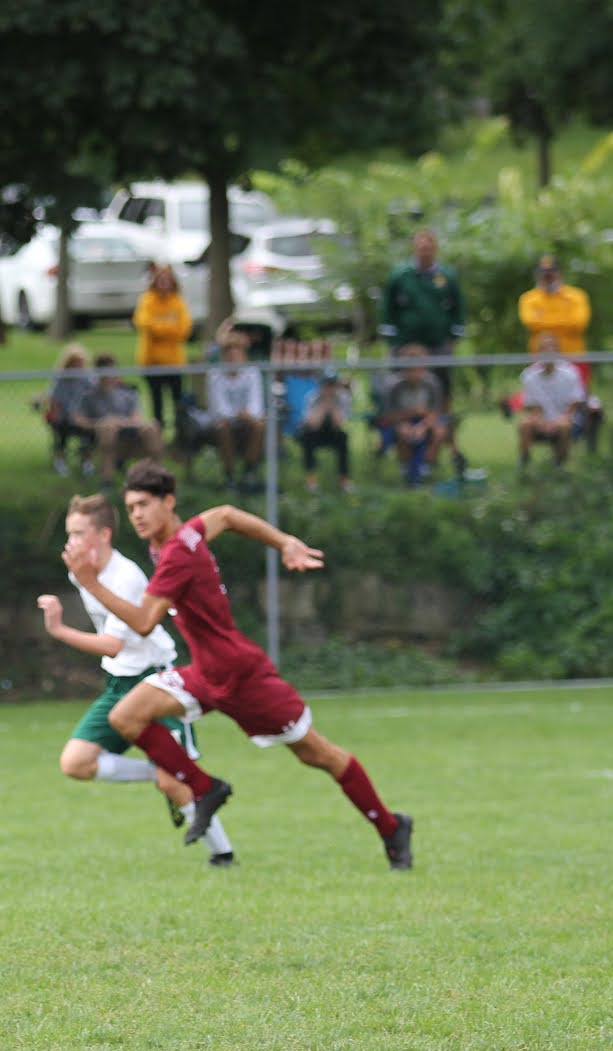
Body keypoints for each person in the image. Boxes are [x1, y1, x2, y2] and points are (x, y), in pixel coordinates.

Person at [71, 459, 413, 871]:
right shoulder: (187, 534)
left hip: (243, 676)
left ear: (169, 501)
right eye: (130, 508)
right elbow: (228, 516)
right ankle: (205, 788)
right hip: (206, 673)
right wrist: (283, 541)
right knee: (126, 715)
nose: (138, 515)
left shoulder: (177, 552)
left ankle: (392, 827)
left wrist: (90, 583)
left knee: (318, 754)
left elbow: (144, 622)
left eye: (145, 504)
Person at [36, 494, 235, 866]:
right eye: (69, 533)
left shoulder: (126, 577)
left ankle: (222, 855)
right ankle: (163, 769)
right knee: (76, 763)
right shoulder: (82, 571)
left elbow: (113, 644)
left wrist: (59, 629)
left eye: (79, 533)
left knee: (174, 782)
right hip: (120, 683)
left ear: (104, 535)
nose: (71, 543)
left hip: (156, 680)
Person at [378, 229, 466, 373]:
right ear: (414, 249)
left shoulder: (447, 276)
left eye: (428, 248)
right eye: (421, 248)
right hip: (405, 342)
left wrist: (453, 337)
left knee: (440, 383)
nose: (425, 252)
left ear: (435, 249)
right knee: (400, 382)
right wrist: (392, 340)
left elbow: (458, 307)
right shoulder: (400, 275)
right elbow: (387, 308)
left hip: (438, 341)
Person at [79, 354, 163, 481]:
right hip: (103, 435)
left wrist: (117, 421)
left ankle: (158, 478)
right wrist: (100, 423)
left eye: (111, 372)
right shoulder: (89, 395)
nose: (108, 377)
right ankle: (107, 480)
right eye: (104, 373)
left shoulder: (128, 392)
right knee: (108, 428)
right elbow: (79, 420)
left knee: (152, 426)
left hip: (131, 432)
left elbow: (137, 418)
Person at [132, 264, 192, 438]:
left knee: (178, 404)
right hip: (152, 362)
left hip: (175, 363)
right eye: (161, 279)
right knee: (156, 404)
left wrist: (160, 327)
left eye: (167, 279)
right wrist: (169, 326)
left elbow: (184, 330)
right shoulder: (147, 300)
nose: (164, 282)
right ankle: (157, 442)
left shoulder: (178, 301)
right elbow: (144, 324)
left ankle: (180, 441)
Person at [377, 344, 449, 487]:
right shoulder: (394, 385)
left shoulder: (432, 383)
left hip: (426, 421)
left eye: (418, 368)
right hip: (401, 421)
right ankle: (407, 470)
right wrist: (411, 416)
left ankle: (425, 467)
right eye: (409, 369)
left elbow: (435, 412)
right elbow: (389, 416)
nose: (414, 373)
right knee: (402, 433)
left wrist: (422, 426)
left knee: (439, 431)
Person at [516, 332, 587, 469]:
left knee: (563, 426)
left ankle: (560, 465)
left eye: (552, 347)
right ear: (539, 352)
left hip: (565, 419)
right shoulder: (529, 375)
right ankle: (524, 462)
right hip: (540, 420)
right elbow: (533, 407)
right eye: (544, 348)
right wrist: (541, 422)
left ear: (558, 350)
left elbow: (573, 405)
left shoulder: (571, 373)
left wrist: (559, 421)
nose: (548, 351)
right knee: (525, 423)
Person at [517, 255, 591, 384]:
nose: (548, 278)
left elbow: (579, 323)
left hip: (573, 357)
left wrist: (543, 323)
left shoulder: (577, 296)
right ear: (537, 275)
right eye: (544, 274)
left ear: (560, 274)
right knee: (539, 400)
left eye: (551, 273)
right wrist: (565, 322)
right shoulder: (528, 299)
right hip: (540, 360)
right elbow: (530, 323)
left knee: (576, 401)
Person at [205, 334, 265, 491]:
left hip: (248, 419)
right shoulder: (215, 375)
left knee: (259, 426)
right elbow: (219, 408)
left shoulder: (252, 373)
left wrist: (248, 415)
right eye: (229, 352)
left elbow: (256, 404)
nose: (233, 356)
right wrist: (237, 414)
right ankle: (229, 475)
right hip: (225, 422)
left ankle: (249, 472)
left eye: (237, 352)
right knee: (222, 427)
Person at [32, 342, 97, 476]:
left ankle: (86, 462)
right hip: (64, 416)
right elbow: (54, 401)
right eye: (75, 363)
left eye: (80, 363)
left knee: (90, 432)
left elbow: (95, 397)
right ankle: (60, 461)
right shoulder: (61, 379)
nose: (78, 366)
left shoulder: (88, 378)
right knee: (61, 429)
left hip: (83, 417)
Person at [296, 366, 354, 493]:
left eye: (332, 384)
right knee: (307, 438)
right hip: (315, 433)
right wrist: (324, 404)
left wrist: (332, 404)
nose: (329, 388)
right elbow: (313, 425)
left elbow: (339, 425)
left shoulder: (343, 398)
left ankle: (344, 478)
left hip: (333, 433)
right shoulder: (312, 397)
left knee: (343, 437)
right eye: (327, 384)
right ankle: (311, 478)